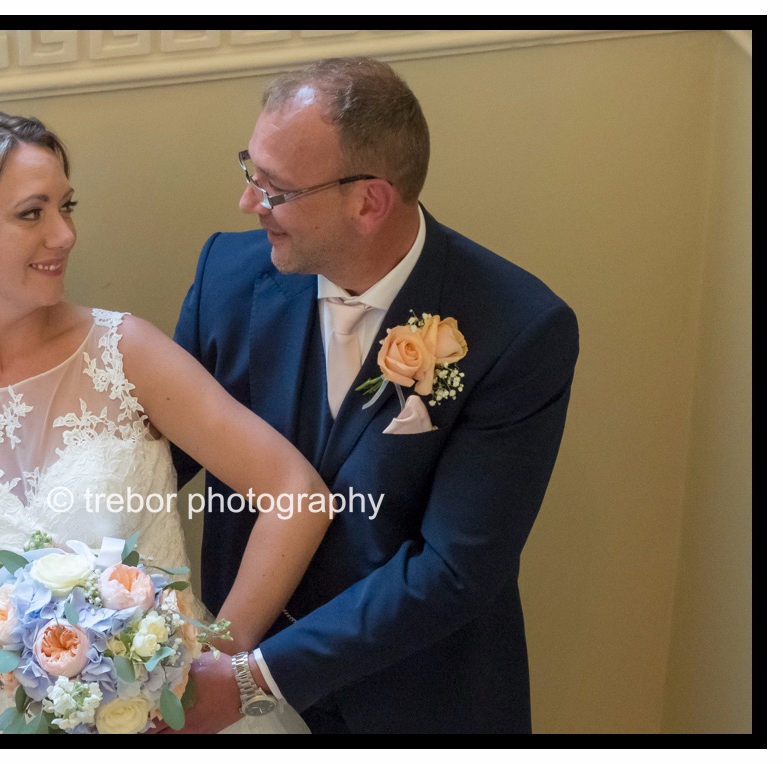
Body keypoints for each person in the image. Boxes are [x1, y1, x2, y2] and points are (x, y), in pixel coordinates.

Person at [0, 104, 327, 734]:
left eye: (65, 206)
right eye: (32, 214)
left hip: (172, 722)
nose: (64, 235)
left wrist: (219, 659)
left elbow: (297, 494)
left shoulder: (125, 351)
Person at [169, 57, 579, 733]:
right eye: (251, 172)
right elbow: (159, 454)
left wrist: (256, 677)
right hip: (240, 691)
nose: (249, 204)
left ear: (369, 202)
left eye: (274, 188)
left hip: (420, 701)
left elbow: (454, 567)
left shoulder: (520, 329)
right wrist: (9, 560)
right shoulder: (226, 275)